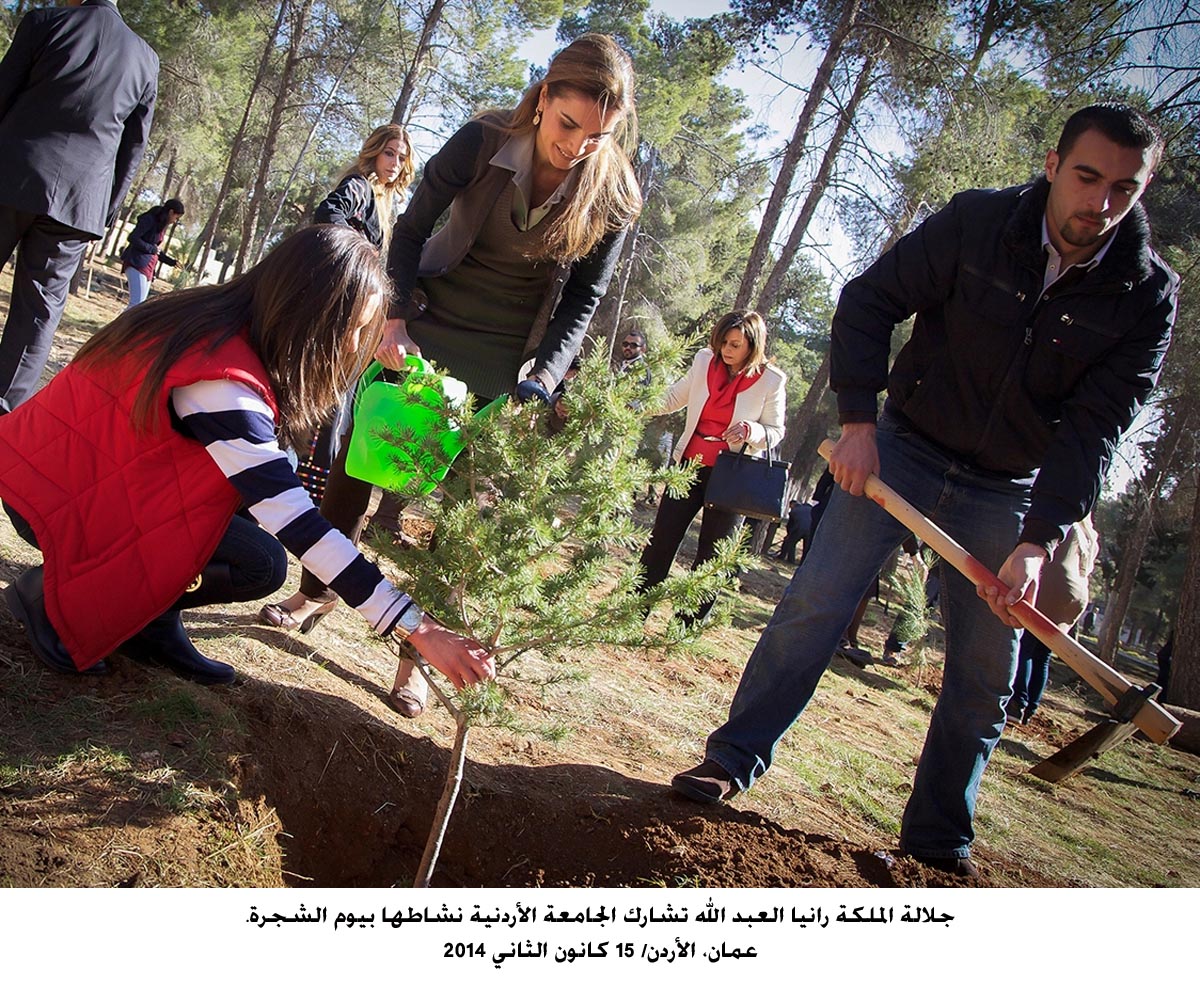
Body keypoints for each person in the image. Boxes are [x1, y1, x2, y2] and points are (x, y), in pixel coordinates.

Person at [671, 104, 1178, 879]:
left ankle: (938, 844)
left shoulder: (1144, 294)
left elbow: (1096, 429)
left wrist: (1038, 540)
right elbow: (869, 301)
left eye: (1123, 189)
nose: (1100, 204)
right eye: (1086, 177)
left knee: (983, 673)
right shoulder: (977, 223)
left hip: (1007, 488)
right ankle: (731, 760)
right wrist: (858, 422)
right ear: (1052, 164)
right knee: (814, 606)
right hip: (901, 448)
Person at [260, 33, 642, 718]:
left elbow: (583, 301)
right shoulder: (482, 139)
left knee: (455, 518)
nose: (577, 145)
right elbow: (407, 232)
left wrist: (543, 380)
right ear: (545, 96)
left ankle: (416, 658)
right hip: (425, 326)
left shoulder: (615, 192)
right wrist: (395, 318)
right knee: (356, 469)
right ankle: (316, 592)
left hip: (502, 363)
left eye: (598, 135)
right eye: (567, 124)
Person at [0, 225, 495, 700]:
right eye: (353, 328)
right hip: (51, 495)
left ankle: (147, 620)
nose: (353, 346)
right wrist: (418, 626)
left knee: (256, 545)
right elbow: (296, 521)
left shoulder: (219, 321)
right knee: (260, 558)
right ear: (309, 311)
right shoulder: (224, 381)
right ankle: (52, 601)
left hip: (68, 476)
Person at [0, 0, 159, 413]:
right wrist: (103, 213)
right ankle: (4, 410)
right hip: (79, 204)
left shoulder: (45, 22)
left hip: (12, 175)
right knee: (38, 312)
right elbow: (132, 152)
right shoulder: (145, 60)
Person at [637, 310, 786, 625]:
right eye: (722, 343)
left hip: (732, 475)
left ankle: (685, 626)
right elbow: (674, 397)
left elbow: (775, 431)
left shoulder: (772, 381)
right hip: (689, 465)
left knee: (712, 555)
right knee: (661, 540)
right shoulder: (705, 361)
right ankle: (634, 610)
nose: (726, 351)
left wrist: (751, 431)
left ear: (753, 345)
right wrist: (635, 404)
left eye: (735, 345)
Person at [295, 123, 416, 504]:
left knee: (338, 395)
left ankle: (311, 486)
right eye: (389, 153)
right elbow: (328, 211)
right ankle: (303, 484)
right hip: (339, 311)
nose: (395, 162)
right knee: (327, 392)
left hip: (356, 314)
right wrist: (358, 256)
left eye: (401, 156)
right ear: (374, 152)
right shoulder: (360, 186)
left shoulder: (385, 201)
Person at [1007, 516, 1099, 724]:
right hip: (1075, 594)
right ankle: (1031, 707)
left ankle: (1017, 702)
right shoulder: (1089, 535)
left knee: (1026, 644)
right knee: (1043, 653)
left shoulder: (1065, 522)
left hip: (1054, 585)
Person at [120, 198, 184, 307]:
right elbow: (133, 237)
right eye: (176, 217)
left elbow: (156, 250)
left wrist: (171, 262)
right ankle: (119, 324)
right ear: (171, 212)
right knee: (136, 304)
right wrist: (151, 249)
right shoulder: (149, 219)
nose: (175, 221)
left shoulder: (161, 225)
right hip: (136, 263)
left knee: (140, 306)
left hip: (149, 268)